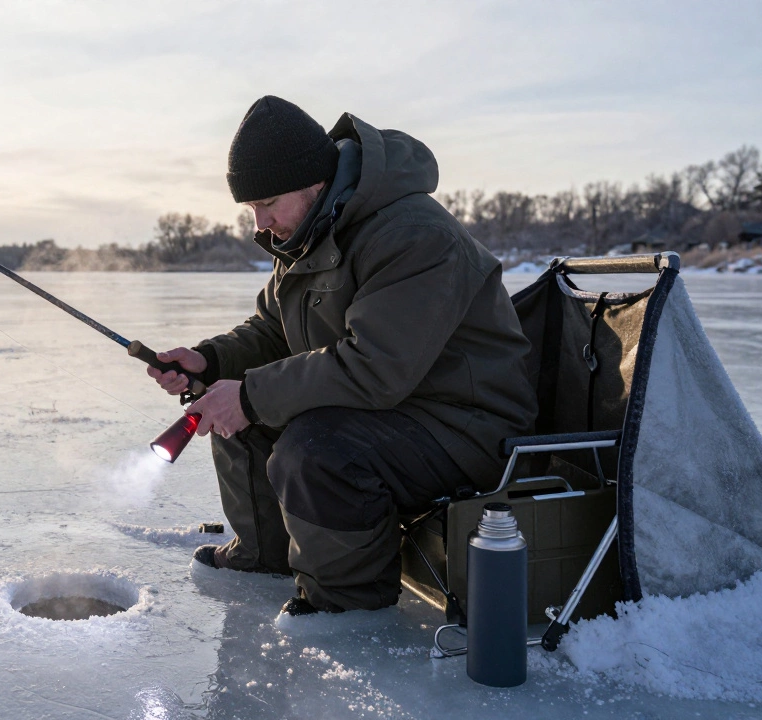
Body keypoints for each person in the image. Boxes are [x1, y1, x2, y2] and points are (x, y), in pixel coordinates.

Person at [147, 96, 538, 616]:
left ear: (313, 183)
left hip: (465, 425)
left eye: (269, 204)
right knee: (239, 411)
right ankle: (266, 556)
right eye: (251, 210)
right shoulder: (308, 233)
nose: (260, 224)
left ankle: (346, 607)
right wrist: (211, 363)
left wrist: (251, 394)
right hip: (395, 409)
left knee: (316, 450)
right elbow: (272, 329)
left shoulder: (414, 235)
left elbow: (375, 368)